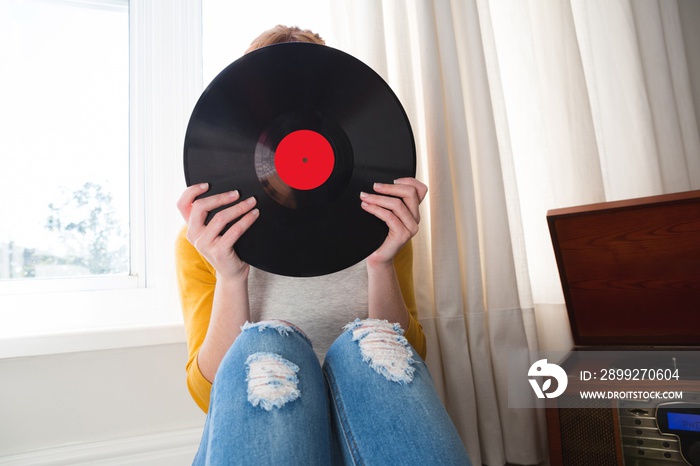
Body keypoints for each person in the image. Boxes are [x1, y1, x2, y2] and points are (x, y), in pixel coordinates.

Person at [176, 25, 471, 466]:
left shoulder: (381, 223)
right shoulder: (206, 239)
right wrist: (231, 276)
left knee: (367, 343)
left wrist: (380, 264)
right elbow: (210, 393)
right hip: (262, 437)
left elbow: (407, 361)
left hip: (366, 436)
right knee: (269, 345)